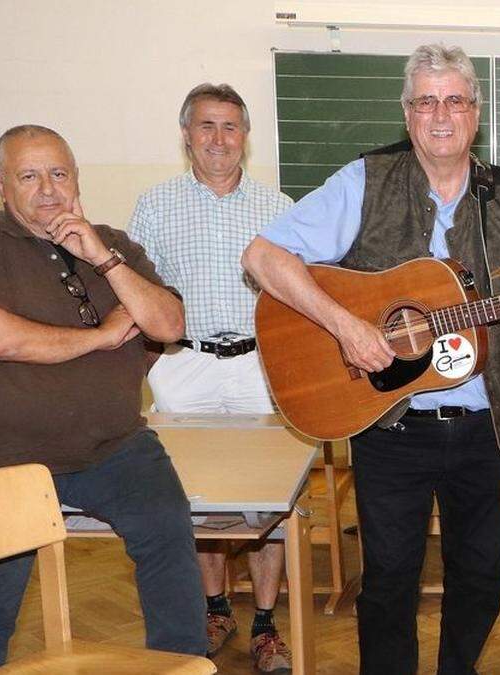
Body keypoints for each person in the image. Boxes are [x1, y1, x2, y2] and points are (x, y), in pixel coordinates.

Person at [241, 44, 500, 675]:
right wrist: (344, 325)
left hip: (485, 428)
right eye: (426, 101)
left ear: (475, 112)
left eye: (454, 100)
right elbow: (263, 257)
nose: (440, 115)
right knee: (388, 580)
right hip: (390, 423)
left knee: (481, 579)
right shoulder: (364, 181)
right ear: (407, 112)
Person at [0, 124, 204, 674]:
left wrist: (102, 257)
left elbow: (168, 323)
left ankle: (181, 666)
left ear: (77, 178)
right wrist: (103, 336)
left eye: (59, 173)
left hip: (112, 448)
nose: (48, 189)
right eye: (28, 176)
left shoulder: (113, 245)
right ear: (0, 186)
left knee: (170, 541)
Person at [128, 83, 294, 672]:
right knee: (194, 497)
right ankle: (216, 606)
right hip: (184, 366)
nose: (218, 139)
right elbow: (136, 293)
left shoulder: (278, 209)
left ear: (245, 136)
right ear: (186, 135)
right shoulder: (154, 206)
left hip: (260, 367)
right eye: (206, 126)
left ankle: (269, 624)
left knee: (271, 498)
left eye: (229, 126)